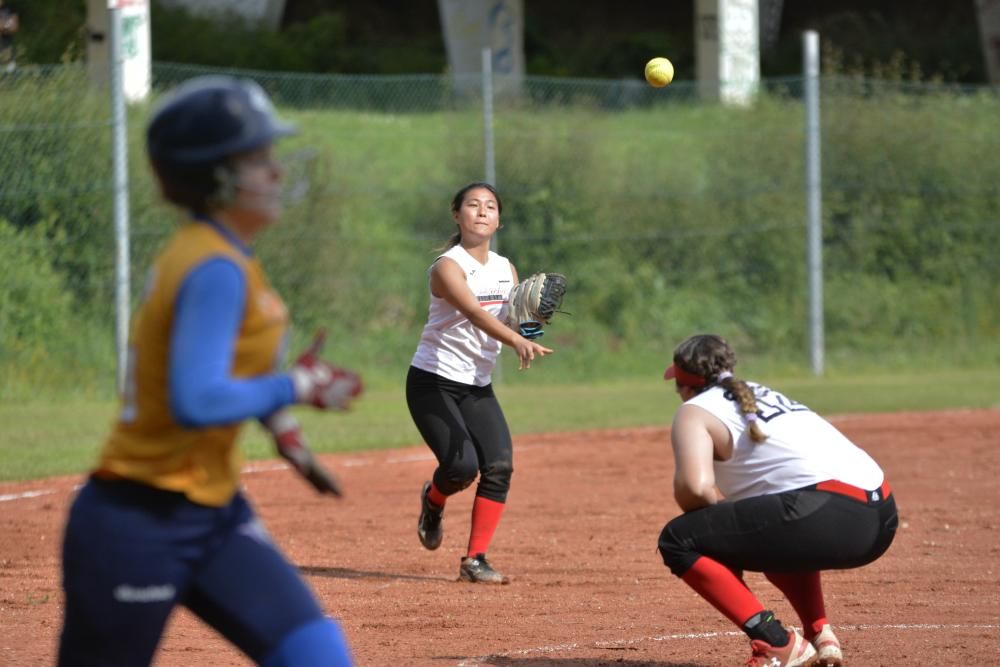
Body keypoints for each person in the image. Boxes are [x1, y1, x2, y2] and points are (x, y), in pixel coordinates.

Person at [58, 76, 363, 666]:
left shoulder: (227, 256)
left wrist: (284, 431)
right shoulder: (213, 266)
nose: (275, 170)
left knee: (316, 655)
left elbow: (231, 367)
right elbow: (195, 399)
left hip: (214, 512)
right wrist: (297, 387)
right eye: (256, 158)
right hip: (137, 521)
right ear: (214, 176)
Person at [657, 334, 898, 667]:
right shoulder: (755, 393)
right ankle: (820, 633)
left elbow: (694, 490)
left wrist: (724, 529)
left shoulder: (694, 411)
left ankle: (776, 644)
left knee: (678, 539)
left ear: (683, 383)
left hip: (825, 516)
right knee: (766, 522)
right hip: (881, 516)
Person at [406, 182, 553, 584]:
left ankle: (474, 560)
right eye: (473, 205)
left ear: (499, 220)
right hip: (433, 381)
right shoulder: (447, 266)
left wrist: (533, 322)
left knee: (500, 466)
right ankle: (433, 501)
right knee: (460, 467)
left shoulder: (506, 269)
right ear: (457, 215)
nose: (482, 212)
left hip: (476, 384)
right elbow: (472, 311)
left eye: (490, 206)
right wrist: (517, 339)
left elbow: (514, 323)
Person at [0, 0, 17, 72]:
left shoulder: (9, 10)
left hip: (6, 41)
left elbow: (14, 27)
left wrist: (4, 26)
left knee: (10, 65)